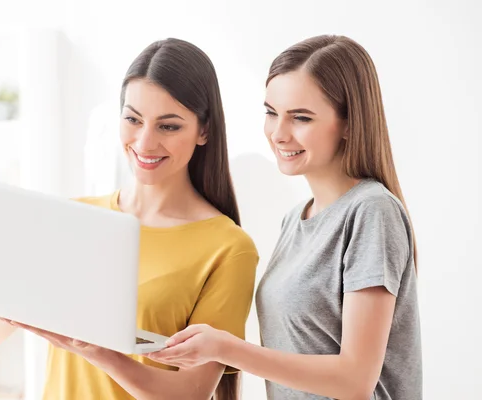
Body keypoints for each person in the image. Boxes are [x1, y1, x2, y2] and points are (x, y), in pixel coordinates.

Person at [148, 34, 422, 400]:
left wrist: (227, 349)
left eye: (301, 118)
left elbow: (355, 379)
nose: (278, 133)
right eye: (271, 112)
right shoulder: (295, 220)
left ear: (349, 123)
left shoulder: (372, 210)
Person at [4, 38, 259, 400]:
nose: (144, 142)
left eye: (168, 126)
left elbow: (190, 394)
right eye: (132, 119)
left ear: (204, 130)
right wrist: (10, 288)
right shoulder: (72, 217)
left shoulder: (227, 247)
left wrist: (97, 351)